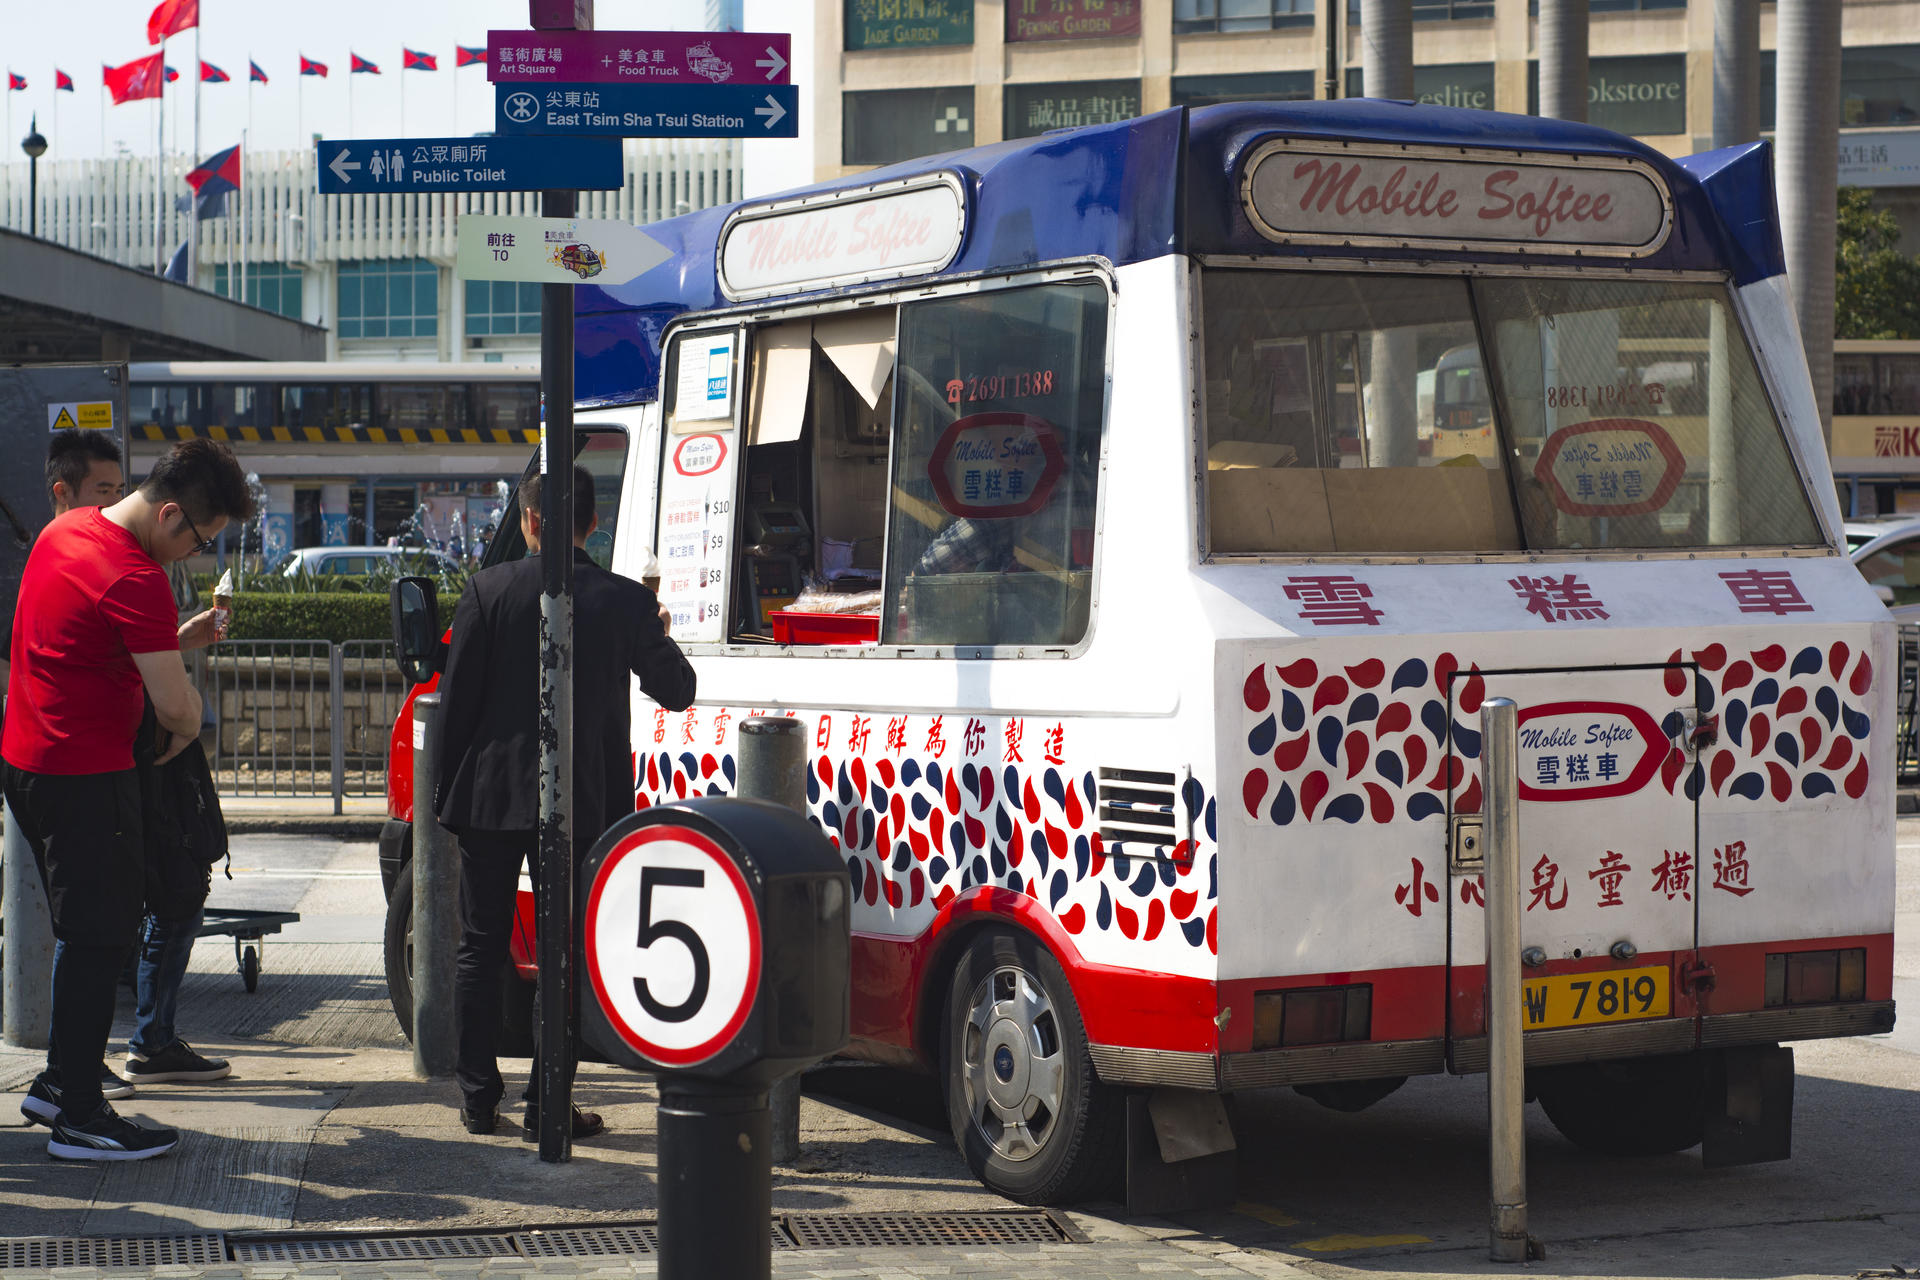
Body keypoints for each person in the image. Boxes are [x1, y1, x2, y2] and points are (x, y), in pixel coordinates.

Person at [4, 438, 252, 1160]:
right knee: (99, 940)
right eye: (199, 541)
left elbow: (89, 646)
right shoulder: (135, 576)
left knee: (85, 932)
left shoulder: (66, 530)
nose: (193, 557)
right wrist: (190, 701)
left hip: (30, 762)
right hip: (85, 777)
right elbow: (178, 710)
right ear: (171, 513)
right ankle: (79, 1114)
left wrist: (172, 657)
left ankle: (59, 1082)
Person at [434, 465, 696, 1138]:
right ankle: (549, 1100)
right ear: (592, 522)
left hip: (491, 797)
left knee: (480, 945)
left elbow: (456, 706)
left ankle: (476, 1096)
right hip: (583, 802)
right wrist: (658, 628)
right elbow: (679, 691)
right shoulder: (624, 602)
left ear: (527, 521)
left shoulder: (487, 591)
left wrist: (446, 798)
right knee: (565, 951)